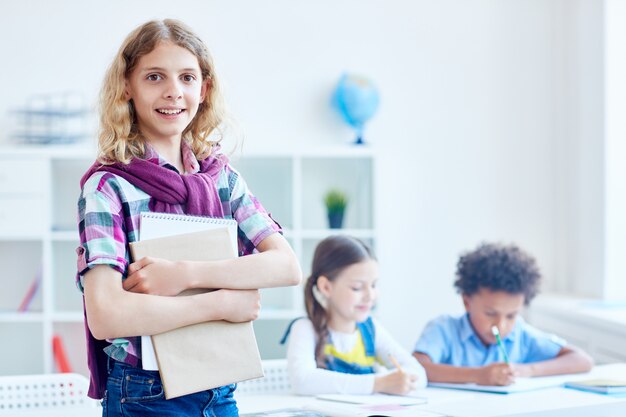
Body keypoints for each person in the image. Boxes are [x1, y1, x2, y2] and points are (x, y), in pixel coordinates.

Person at [76, 19, 301, 416]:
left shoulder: (221, 178)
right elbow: (108, 316)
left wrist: (185, 274)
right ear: (127, 87)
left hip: (219, 383)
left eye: (187, 77)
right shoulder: (108, 187)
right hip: (145, 393)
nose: (173, 92)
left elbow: (285, 265)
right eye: (154, 77)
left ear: (204, 88)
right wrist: (220, 305)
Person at [413, 242, 593, 386]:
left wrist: (527, 370)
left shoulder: (520, 335)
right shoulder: (443, 329)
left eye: (511, 316)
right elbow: (415, 367)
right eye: (490, 313)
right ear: (467, 302)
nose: (500, 326)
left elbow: (582, 360)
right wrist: (477, 375)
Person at [283, 235, 427, 395]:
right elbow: (302, 382)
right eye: (357, 287)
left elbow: (418, 373)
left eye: (373, 285)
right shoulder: (305, 329)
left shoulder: (372, 330)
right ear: (326, 287)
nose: (370, 295)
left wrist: (399, 381)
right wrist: (379, 383)